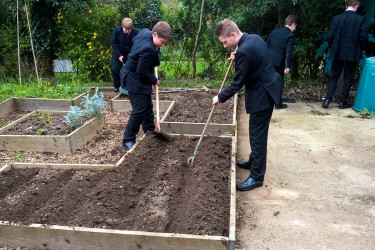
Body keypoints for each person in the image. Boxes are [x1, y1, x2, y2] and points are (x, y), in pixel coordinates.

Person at [212, 19, 282, 191]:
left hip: (262, 96)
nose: (225, 46)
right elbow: (254, 58)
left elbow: (237, 84)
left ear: (233, 35)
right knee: (255, 133)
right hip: (269, 87)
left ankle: (257, 177)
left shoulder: (244, 51)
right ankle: (253, 161)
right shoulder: (253, 39)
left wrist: (220, 97)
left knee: (257, 136)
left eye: (225, 42)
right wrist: (238, 55)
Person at [121, 21, 172, 150]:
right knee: (139, 110)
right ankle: (128, 140)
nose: (163, 45)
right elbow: (141, 71)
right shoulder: (148, 49)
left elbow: (135, 42)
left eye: (165, 43)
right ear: (154, 34)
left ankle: (150, 133)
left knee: (147, 107)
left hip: (139, 76)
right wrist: (154, 80)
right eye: (162, 41)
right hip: (133, 78)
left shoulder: (144, 32)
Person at [322, 0, 368, 109]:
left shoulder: (336, 18)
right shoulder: (360, 19)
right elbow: (364, 38)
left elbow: (331, 36)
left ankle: (327, 100)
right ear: (356, 6)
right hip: (353, 52)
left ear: (346, 6)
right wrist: (360, 48)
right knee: (348, 77)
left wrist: (333, 47)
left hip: (337, 51)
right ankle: (343, 102)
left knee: (334, 76)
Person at [267, 15, 298, 109]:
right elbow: (289, 52)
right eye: (295, 26)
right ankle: (278, 103)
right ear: (293, 24)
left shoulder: (275, 31)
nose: (295, 28)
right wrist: (287, 66)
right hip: (279, 63)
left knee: (268, 80)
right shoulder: (290, 35)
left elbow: (267, 44)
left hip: (269, 60)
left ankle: (268, 101)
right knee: (279, 82)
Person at [110, 18, 139, 93]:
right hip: (118, 53)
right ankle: (117, 86)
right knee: (115, 69)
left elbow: (138, 45)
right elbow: (113, 43)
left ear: (131, 28)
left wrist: (132, 56)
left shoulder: (136, 33)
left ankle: (127, 86)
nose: (127, 31)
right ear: (122, 26)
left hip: (130, 55)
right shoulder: (117, 31)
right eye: (125, 29)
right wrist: (119, 55)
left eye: (129, 30)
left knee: (129, 71)